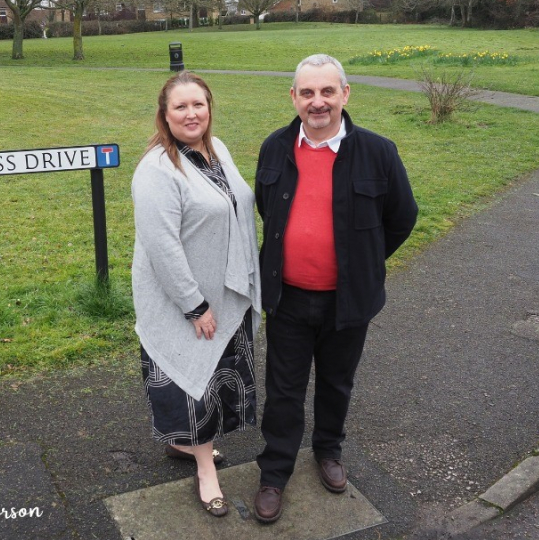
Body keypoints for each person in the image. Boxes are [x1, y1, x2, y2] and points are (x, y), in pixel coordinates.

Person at [253, 54, 418, 523]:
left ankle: (328, 450)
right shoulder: (274, 148)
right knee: (283, 389)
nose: (317, 102)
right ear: (294, 98)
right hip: (287, 297)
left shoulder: (378, 152)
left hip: (348, 301)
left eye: (328, 91)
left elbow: (402, 218)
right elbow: (270, 210)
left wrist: (359, 263)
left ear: (345, 94)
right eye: (307, 93)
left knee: (336, 382)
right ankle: (274, 472)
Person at [132, 71, 262, 518]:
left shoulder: (216, 149)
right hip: (186, 302)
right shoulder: (157, 168)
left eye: (198, 105)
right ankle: (206, 469)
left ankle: (187, 445)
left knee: (212, 378)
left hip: (225, 292)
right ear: (165, 116)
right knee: (194, 383)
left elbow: (235, 204)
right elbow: (161, 245)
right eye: (180, 107)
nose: (192, 114)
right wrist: (195, 305)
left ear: (210, 107)